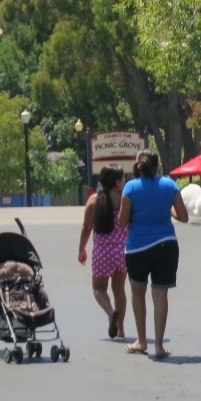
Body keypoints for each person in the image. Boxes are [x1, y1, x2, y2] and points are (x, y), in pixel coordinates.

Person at [119, 149, 188, 358]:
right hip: (166, 245)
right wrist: (167, 210)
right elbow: (183, 217)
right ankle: (158, 346)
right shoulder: (169, 185)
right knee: (160, 295)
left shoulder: (130, 187)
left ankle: (142, 341)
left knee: (138, 292)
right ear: (156, 165)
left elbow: (122, 222)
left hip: (137, 247)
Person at [78, 166, 128, 339]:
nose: (125, 180)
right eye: (123, 178)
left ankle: (110, 312)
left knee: (98, 289)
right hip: (123, 251)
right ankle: (121, 328)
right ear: (117, 182)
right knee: (119, 289)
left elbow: (86, 227)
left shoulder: (94, 200)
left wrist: (82, 249)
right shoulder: (125, 199)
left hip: (102, 252)